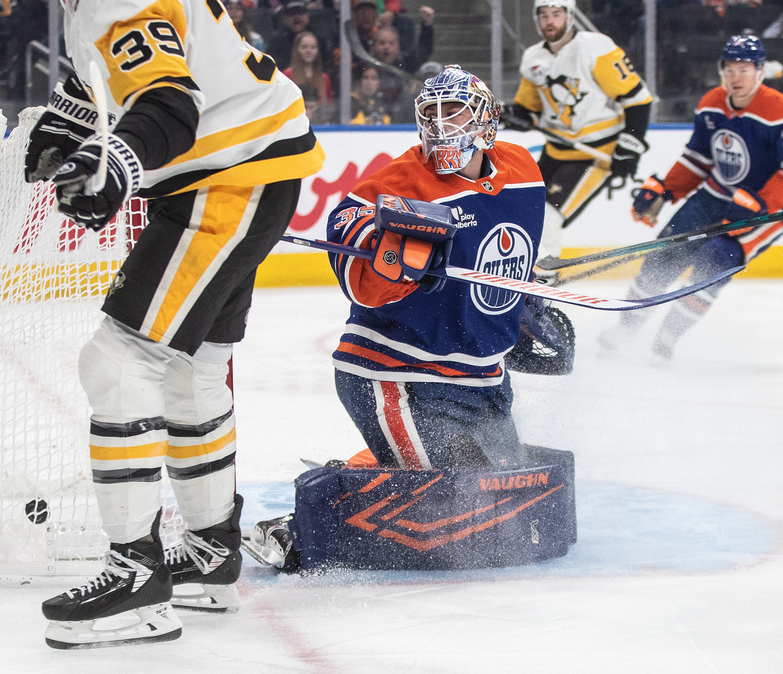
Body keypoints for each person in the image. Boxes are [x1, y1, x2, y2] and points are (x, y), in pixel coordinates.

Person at [22, 0, 324, 648]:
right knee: (192, 369)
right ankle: (212, 556)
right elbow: (124, 64)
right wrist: (68, 119)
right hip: (254, 157)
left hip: (227, 173)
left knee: (118, 362)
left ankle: (136, 579)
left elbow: (169, 107)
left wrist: (114, 166)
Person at [242, 65, 550, 570]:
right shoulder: (397, 184)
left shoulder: (524, 170)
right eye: (431, 114)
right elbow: (352, 253)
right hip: (398, 374)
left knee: (506, 494)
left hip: (483, 378)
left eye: (455, 112)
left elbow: (508, 253)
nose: (442, 126)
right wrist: (394, 256)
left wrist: (526, 299)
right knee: (463, 506)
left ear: (487, 119)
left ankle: (368, 464)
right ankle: (296, 530)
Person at [600, 35, 783, 361]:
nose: (736, 77)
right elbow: (698, 158)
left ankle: (666, 339)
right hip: (715, 196)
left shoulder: (777, 110)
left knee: (715, 260)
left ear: (759, 72)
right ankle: (626, 329)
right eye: (730, 68)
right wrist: (665, 188)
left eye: (744, 69)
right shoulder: (712, 102)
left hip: (765, 208)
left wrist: (761, 205)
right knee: (664, 255)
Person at [504, 0, 652, 275]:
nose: (550, 21)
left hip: (596, 152)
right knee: (522, 209)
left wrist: (630, 146)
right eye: (544, 15)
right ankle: (522, 276)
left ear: (570, 17)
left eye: (557, 14)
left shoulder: (595, 48)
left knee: (548, 215)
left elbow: (638, 99)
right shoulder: (533, 58)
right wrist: (509, 114)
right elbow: (528, 110)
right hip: (556, 150)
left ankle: (543, 282)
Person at [283, 30, 333, 110]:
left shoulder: (324, 78)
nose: (309, 51)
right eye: (304, 47)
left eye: (313, 47)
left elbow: (327, 107)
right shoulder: (287, 75)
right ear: (296, 49)